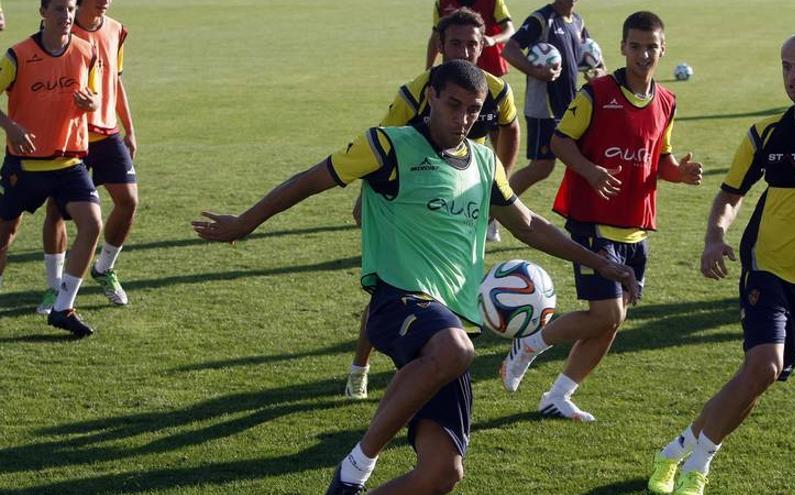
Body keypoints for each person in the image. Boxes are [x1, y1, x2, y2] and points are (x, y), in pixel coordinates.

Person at [193, 60, 637, 495]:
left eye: (472, 109)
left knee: (442, 474)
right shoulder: (387, 146)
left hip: (451, 324)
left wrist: (600, 262)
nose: (462, 118)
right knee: (455, 349)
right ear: (431, 99)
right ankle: (356, 467)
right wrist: (246, 222)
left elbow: (527, 224)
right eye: (453, 105)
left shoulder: (484, 162)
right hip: (398, 300)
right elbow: (309, 180)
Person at [647, 32, 795, 495]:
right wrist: (715, 237)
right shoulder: (765, 134)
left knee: (757, 380)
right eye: (786, 66)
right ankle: (698, 468)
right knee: (763, 366)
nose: (792, 76)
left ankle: (673, 452)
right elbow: (730, 195)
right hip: (767, 269)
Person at [499, 11, 702, 422]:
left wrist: (678, 173)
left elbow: (658, 158)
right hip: (593, 222)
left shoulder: (667, 101)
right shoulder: (597, 94)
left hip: (635, 227)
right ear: (622, 47)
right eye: (636, 46)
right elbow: (559, 142)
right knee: (606, 314)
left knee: (611, 322)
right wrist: (590, 171)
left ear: (663, 50)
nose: (644, 54)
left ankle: (559, 395)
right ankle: (530, 344)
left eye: (652, 47)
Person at [344, 7, 521, 400]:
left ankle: (429, 361)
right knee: (393, 286)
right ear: (440, 45)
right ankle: (361, 365)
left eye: (472, 43)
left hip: (464, 195)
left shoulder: (496, 90)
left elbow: (510, 129)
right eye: (455, 42)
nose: (464, 50)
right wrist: (367, 199)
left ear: (483, 46)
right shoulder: (416, 92)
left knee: (451, 285)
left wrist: (496, 184)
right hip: (412, 197)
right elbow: (381, 148)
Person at [0, 0, 102, 337]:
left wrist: (92, 103)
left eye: (71, 8)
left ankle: (63, 308)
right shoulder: (17, 55)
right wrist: (10, 126)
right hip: (24, 166)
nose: (67, 16)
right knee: (4, 237)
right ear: (43, 13)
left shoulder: (87, 51)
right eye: (59, 9)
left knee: (91, 224)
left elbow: (93, 96)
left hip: (69, 162)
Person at [38, 0, 137, 314]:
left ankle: (104, 268)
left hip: (107, 133)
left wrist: (129, 128)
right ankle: (54, 289)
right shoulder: (62, 29)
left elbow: (115, 80)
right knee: (56, 211)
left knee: (128, 200)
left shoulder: (116, 30)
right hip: (72, 136)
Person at [502, 0, 591, 197]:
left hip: (570, 106)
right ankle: (494, 208)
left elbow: (589, 55)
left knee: (584, 161)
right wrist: (535, 71)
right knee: (541, 167)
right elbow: (510, 49)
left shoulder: (577, 21)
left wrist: (597, 71)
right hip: (544, 109)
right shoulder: (541, 19)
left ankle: (583, 218)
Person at [427, 0, 514, 77]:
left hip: (489, 66)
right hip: (452, 67)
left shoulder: (493, 2)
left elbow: (510, 31)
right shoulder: (442, 2)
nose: (464, 54)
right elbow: (436, 36)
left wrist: (493, 40)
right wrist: (429, 70)